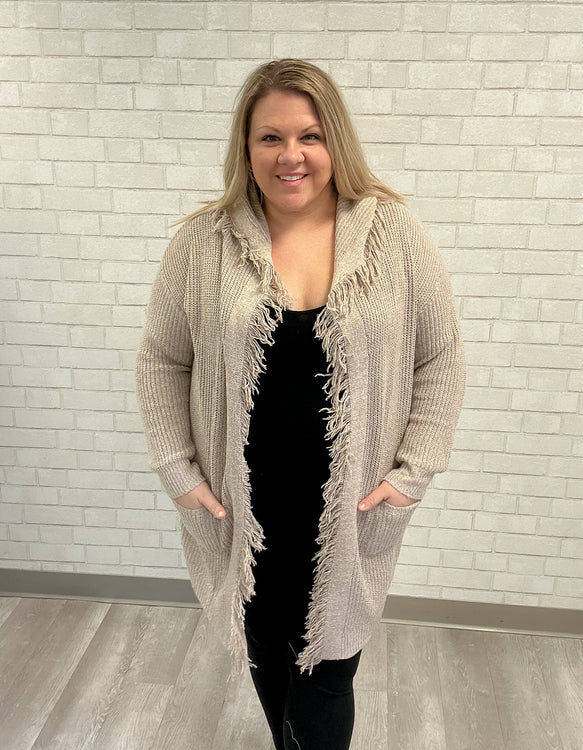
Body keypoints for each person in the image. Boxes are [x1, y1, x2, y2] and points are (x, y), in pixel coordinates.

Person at [135, 58, 466, 750]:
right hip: (243, 509)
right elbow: (162, 359)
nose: (292, 155)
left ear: (334, 141)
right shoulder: (202, 242)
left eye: (310, 136)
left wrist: (412, 476)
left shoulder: (393, 234)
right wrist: (179, 473)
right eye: (271, 137)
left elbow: (439, 357)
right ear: (246, 146)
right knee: (268, 654)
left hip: (350, 509)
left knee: (328, 674)